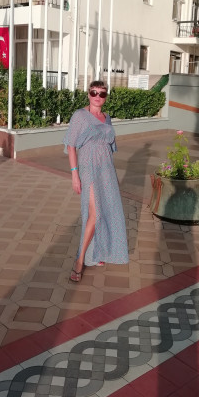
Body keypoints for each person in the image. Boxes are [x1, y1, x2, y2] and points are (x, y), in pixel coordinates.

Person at [63, 81, 129, 282]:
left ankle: (96, 252)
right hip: (88, 168)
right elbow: (71, 145)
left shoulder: (107, 118)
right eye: (94, 93)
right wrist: (74, 174)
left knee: (107, 210)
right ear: (88, 94)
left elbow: (110, 148)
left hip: (106, 169)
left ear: (106, 96)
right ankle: (80, 260)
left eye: (102, 93)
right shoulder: (80, 116)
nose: (97, 97)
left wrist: (112, 176)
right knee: (95, 213)